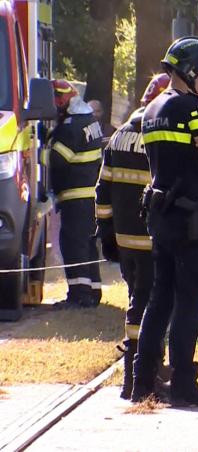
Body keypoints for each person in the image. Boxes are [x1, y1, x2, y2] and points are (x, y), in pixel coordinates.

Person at [131, 37, 198, 406]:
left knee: (159, 299)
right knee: (190, 302)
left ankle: (141, 381)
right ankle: (183, 385)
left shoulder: (152, 109)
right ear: (192, 70)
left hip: (160, 217)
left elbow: (168, 164)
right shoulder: (193, 109)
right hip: (190, 219)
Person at [95, 73, 170, 400]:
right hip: (155, 240)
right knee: (154, 307)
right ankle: (143, 377)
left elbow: (102, 190)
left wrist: (107, 233)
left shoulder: (119, 135)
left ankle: (133, 374)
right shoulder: (162, 135)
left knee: (136, 303)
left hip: (125, 241)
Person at [46, 80, 104, 309]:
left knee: (73, 244)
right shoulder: (88, 120)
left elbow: (57, 161)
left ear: (66, 99)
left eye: (56, 98)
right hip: (90, 196)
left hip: (75, 195)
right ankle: (93, 290)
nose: (54, 103)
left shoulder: (69, 127)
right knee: (88, 244)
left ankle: (80, 295)